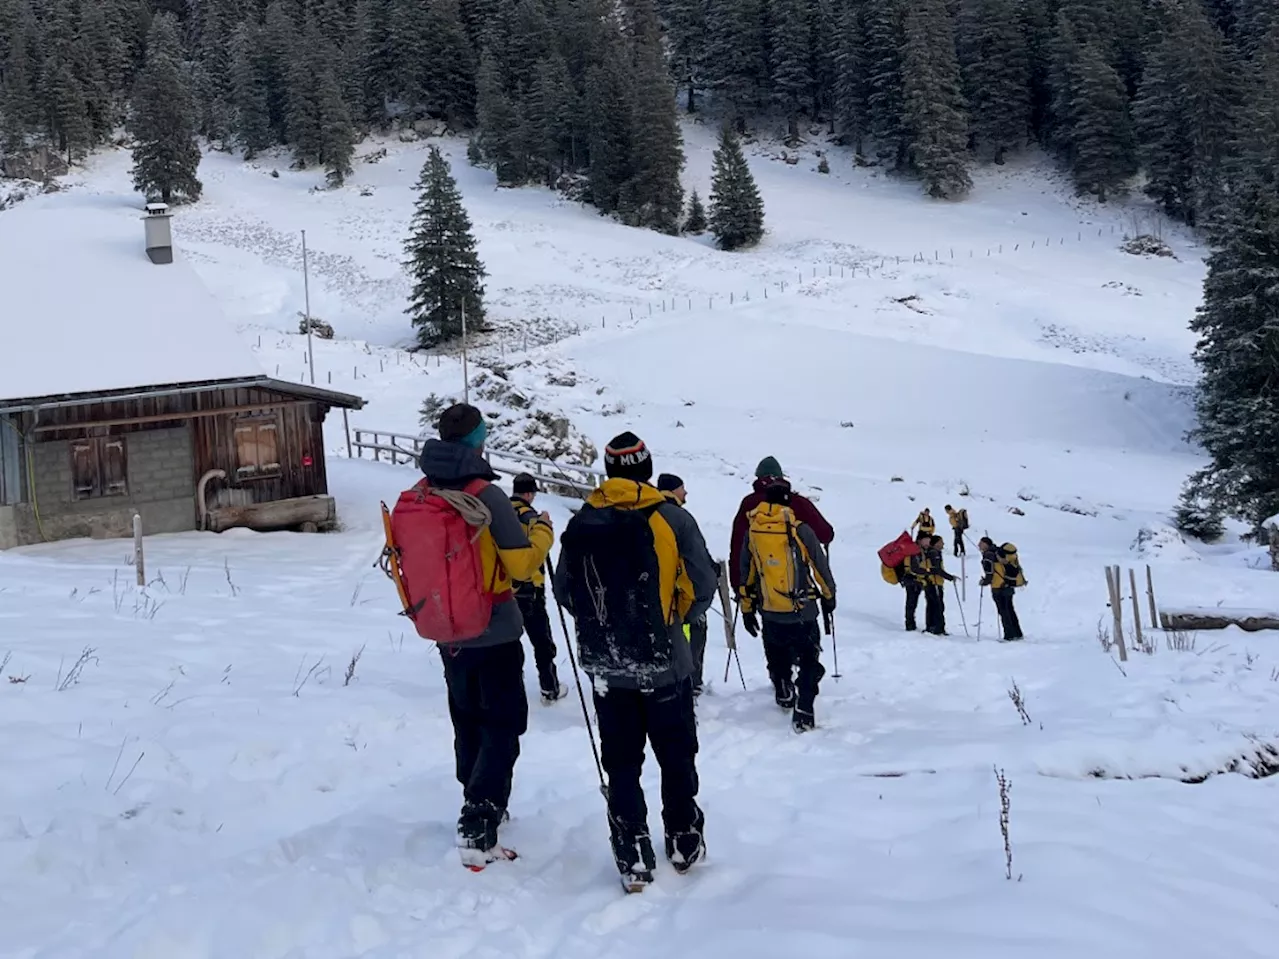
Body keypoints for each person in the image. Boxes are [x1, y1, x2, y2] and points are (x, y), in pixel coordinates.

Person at [554, 432, 718, 890]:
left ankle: (632, 850)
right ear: (646, 468)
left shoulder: (585, 519)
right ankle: (684, 837)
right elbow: (702, 585)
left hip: (607, 666)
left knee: (622, 761)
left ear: (610, 471)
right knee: (677, 752)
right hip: (666, 663)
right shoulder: (671, 517)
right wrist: (673, 617)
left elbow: (566, 590)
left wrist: (607, 626)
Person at [418, 404, 554, 867]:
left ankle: (476, 795)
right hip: (494, 627)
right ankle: (479, 819)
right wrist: (544, 536)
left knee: (467, 716)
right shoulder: (486, 495)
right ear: (477, 439)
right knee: (505, 721)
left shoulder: (423, 490)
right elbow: (519, 565)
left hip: (446, 629)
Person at [738, 482, 836, 733]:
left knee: (777, 653)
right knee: (809, 659)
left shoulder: (753, 531)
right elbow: (819, 565)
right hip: (802, 609)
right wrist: (829, 595)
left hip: (769, 608)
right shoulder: (799, 529)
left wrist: (747, 607)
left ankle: (782, 687)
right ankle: (803, 708)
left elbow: (747, 571)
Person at [729, 456, 834, 598]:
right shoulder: (797, 502)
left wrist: (738, 587)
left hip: (763, 590)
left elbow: (737, 547)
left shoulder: (749, 504)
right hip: (799, 589)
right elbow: (826, 534)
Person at [509, 473, 565, 704]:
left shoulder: (500, 512)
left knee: (509, 641)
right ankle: (549, 687)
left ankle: (510, 687)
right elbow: (539, 548)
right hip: (530, 588)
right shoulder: (531, 518)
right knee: (541, 641)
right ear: (530, 493)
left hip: (504, 588)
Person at [657, 472, 714, 696]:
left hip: (657, 596)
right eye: (682, 488)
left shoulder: (647, 515)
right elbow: (696, 559)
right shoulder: (680, 518)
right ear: (673, 491)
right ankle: (691, 680)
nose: (686, 492)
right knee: (692, 631)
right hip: (682, 595)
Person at [979, 537, 1025, 641]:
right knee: (1010, 609)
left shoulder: (988, 556)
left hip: (998, 586)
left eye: (981, 543)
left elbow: (990, 574)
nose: (979, 545)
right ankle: (1017, 632)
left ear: (986, 544)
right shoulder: (999, 552)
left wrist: (984, 582)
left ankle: (1009, 635)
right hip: (1009, 584)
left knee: (1003, 611)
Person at [924, 534, 958, 636]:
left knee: (931, 605)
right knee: (938, 605)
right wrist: (950, 577)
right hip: (935, 582)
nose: (943, 544)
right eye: (941, 541)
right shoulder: (935, 553)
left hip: (929, 582)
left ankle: (930, 626)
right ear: (936, 543)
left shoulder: (930, 552)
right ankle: (938, 628)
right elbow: (938, 570)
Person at [901, 530, 932, 631]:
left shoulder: (919, 550)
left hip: (915, 580)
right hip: (912, 579)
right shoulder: (915, 551)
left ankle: (910, 623)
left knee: (912, 602)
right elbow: (915, 568)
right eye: (926, 540)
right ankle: (909, 624)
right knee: (911, 602)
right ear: (920, 540)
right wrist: (927, 572)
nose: (928, 542)